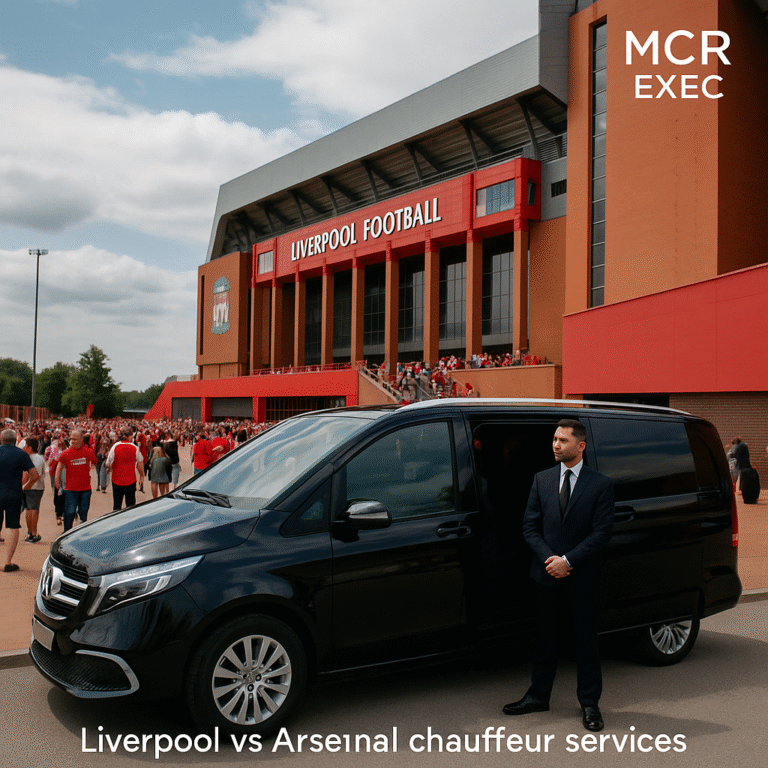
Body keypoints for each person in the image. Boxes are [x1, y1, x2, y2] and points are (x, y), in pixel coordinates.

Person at [503, 419, 614, 732]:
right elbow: (529, 527)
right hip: (546, 575)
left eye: (563, 440)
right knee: (544, 640)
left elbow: (602, 533)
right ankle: (538, 695)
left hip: (582, 577)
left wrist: (568, 560)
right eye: (554, 439)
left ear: (580, 446)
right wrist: (550, 559)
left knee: (585, 643)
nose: (555, 445)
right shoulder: (542, 480)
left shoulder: (600, 484)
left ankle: (590, 704)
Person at [0, 428, 40, 572]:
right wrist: (25, 486)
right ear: (15, 440)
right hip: (13, 493)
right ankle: (7, 562)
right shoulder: (21, 454)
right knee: (12, 526)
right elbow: (35, 475)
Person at [55, 429, 97, 531]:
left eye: (74, 439)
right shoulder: (66, 453)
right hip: (70, 489)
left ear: (81, 440)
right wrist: (57, 482)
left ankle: (81, 533)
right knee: (69, 513)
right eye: (71, 439)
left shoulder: (88, 452)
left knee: (83, 512)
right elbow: (59, 468)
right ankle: (67, 533)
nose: (72, 441)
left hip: (85, 488)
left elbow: (95, 462)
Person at [105, 428, 144, 511]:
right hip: (130, 480)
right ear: (130, 436)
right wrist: (142, 476)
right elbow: (140, 462)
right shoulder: (135, 448)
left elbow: (107, 463)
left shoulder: (115, 447)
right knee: (130, 506)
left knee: (117, 505)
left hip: (117, 479)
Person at [22, 437, 46, 542]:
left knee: (29, 509)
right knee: (33, 510)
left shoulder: (31, 458)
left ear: (29, 448)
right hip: (36, 487)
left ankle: (31, 533)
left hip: (30, 486)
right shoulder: (38, 458)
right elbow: (36, 475)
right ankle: (33, 533)